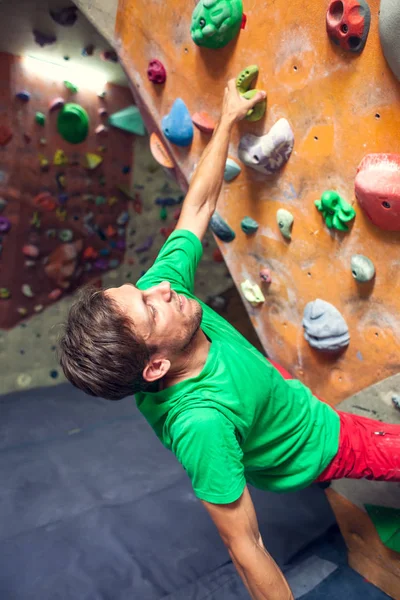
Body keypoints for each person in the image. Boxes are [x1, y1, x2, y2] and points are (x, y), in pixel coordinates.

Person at [59, 80, 400, 600]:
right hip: (317, 443)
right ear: (154, 368)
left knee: (272, 382)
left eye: (143, 290)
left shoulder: (161, 299)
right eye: (150, 306)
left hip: (268, 394)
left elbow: (196, 207)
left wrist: (228, 116)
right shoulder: (203, 426)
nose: (163, 288)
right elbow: (247, 547)